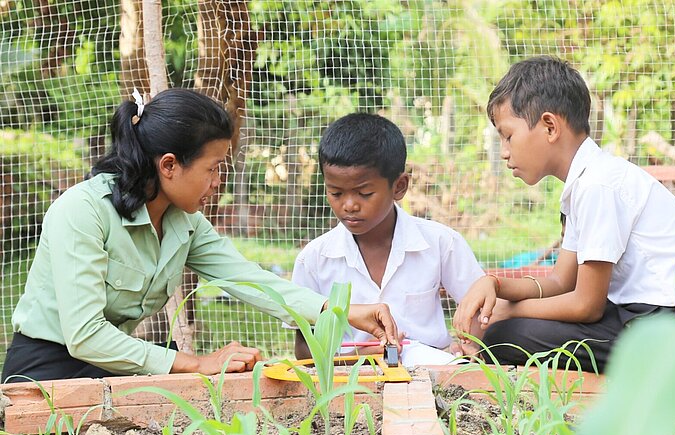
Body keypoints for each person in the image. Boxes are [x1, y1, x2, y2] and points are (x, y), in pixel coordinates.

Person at [2, 89, 399, 383]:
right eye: (212, 168)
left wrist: (348, 311)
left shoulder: (184, 222)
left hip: (116, 365)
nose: (217, 182)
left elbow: (253, 282)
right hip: (45, 372)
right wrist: (197, 362)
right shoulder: (82, 212)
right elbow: (85, 336)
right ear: (170, 165)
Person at [452, 56, 675, 372]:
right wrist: (496, 286)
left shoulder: (598, 184)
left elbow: (586, 305)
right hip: (647, 317)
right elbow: (560, 282)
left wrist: (509, 313)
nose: (505, 151)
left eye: (508, 135)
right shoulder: (585, 182)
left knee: (505, 336)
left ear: (550, 126)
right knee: (506, 328)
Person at [290, 113, 485, 366]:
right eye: (335, 193)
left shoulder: (440, 243)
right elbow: (304, 349)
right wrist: (361, 358)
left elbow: (480, 306)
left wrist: (470, 342)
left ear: (399, 186)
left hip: (433, 372)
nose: (349, 205)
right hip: (350, 383)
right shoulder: (313, 260)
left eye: (364, 193)